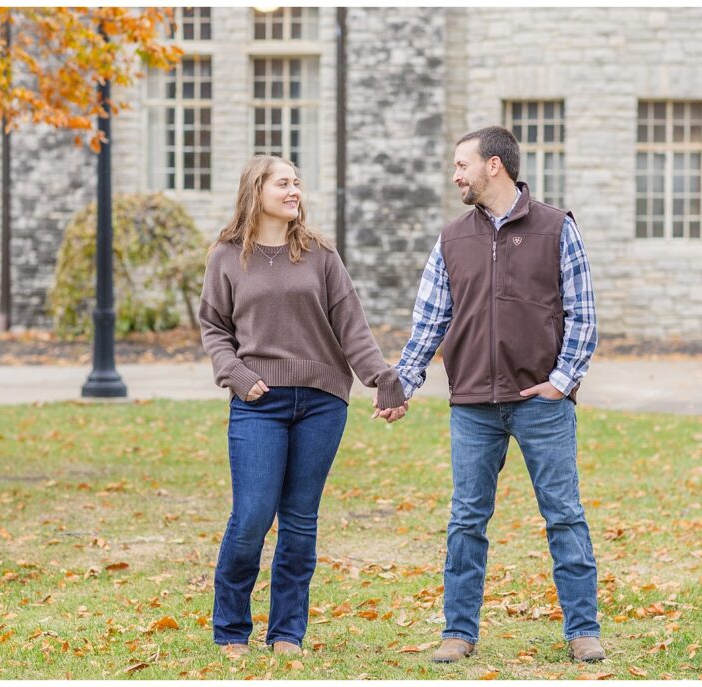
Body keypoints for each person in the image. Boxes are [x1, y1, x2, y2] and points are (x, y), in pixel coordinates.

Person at [376, 126, 603, 663]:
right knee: (466, 519)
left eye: (462, 165)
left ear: (493, 165)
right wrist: (402, 384)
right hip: (474, 404)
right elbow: (430, 320)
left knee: (564, 515)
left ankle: (583, 629)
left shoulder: (555, 229)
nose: (455, 175)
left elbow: (583, 314)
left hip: (539, 402)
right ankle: (458, 632)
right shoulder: (453, 238)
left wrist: (562, 381)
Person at [200, 155, 406, 658]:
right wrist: (239, 377)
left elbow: (351, 327)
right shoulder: (227, 256)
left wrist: (382, 378)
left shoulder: (319, 254)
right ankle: (231, 629)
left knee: (300, 520)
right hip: (257, 402)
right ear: (257, 190)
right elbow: (214, 329)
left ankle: (287, 632)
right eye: (283, 183)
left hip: (321, 403)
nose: (295, 190)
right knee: (251, 516)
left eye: (297, 182)